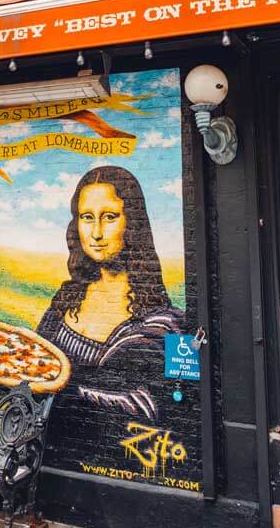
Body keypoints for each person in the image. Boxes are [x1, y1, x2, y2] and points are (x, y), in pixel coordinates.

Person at [38, 165, 183, 421]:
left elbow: (146, 405)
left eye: (109, 217)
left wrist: (56, 385)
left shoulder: (161, 323)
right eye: (87, 217)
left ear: (133, 223)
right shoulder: (67, 300)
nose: (96, 233)